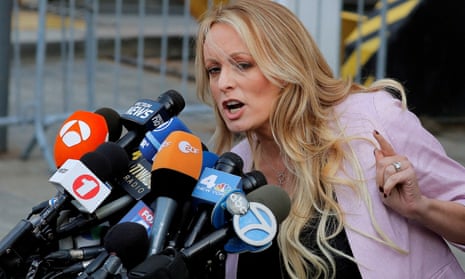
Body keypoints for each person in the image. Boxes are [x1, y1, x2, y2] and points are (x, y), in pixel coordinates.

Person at [193, 0, 465, 278]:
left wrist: (420, 207)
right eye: (214, 70)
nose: (223, 83)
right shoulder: (230, 171)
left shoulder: (372, 122)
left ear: (287, 64)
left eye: (242, 64)